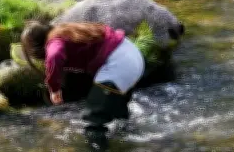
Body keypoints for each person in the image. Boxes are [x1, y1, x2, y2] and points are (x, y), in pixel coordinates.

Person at [21, 21, 146, 151]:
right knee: (119, 114)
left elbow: (55, 55)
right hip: (132, 55)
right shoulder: (65, 30)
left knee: (92, 120)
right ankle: (128, 146)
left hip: (119, 65)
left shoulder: (54, 42)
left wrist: (54, 88)